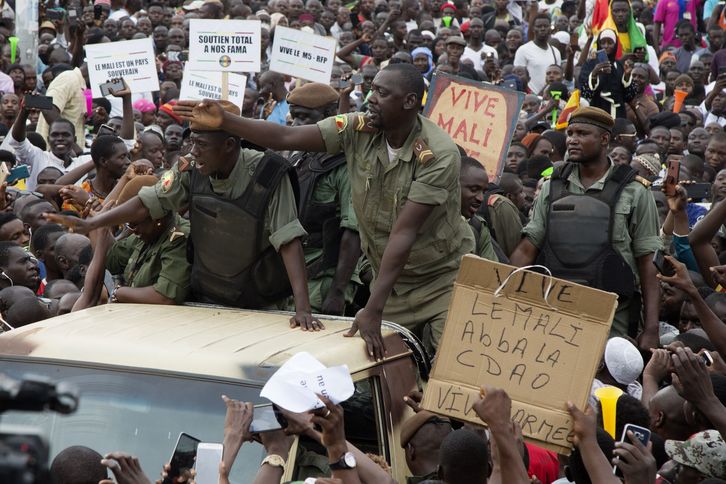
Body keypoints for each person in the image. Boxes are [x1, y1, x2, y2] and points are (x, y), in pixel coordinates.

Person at [174, 63, 474, 359]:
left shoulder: (438, 154)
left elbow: (404, 233)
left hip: (441, 281)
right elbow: (284, 137)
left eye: (381, 92)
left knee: (450, 364)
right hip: (392, 282)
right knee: (384, 368)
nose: (370, 98)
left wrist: (373, 309)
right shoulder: (358, 129)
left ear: (409, 101)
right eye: (371, 90)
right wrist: (225, 120)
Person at [47, 101, 320, 330]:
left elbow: (288, 240)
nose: (193, 152)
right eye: (192, 143)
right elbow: (147, 202)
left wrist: (303, 308)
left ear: (228, 145)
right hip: (209, 300)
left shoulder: (268, 174)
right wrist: (95, 221)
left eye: (201, 144)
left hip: (261, 304)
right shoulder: (190, 169)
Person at [511, 107, 661, 348]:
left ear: (604, 139)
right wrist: (505, 298)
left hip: (612, 320)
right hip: (554, 313)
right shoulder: (552, 187)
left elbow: (647, 262)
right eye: (570, 133)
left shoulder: (635, 191)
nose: (572, 140)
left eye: (582, 133)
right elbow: (527, 248)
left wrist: (651, 327)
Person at [286, 82, 362, 315]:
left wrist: (337, 293)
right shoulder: (299, 155)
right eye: (294, 117)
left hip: (326, 277)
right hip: (296, 272)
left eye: (305, 117)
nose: (297, 124)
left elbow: (353, 233)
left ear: (330, 116)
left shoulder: (347, 165)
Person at [460, 156, 499, 262]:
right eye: (473, 189)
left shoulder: (478, 226)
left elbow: (491, 272)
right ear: (454, 184)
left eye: (484, 192)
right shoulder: (423, 217)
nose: (480, 198)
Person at [514, 14, 561, 95]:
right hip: (529, 97)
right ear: (533, 28)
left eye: (545, 26)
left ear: (550, 28)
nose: (542, 29)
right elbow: (518, 77)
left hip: (550, 97)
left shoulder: (555, 52)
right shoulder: (523, 50)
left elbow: (558, 78)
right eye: (539, 26)